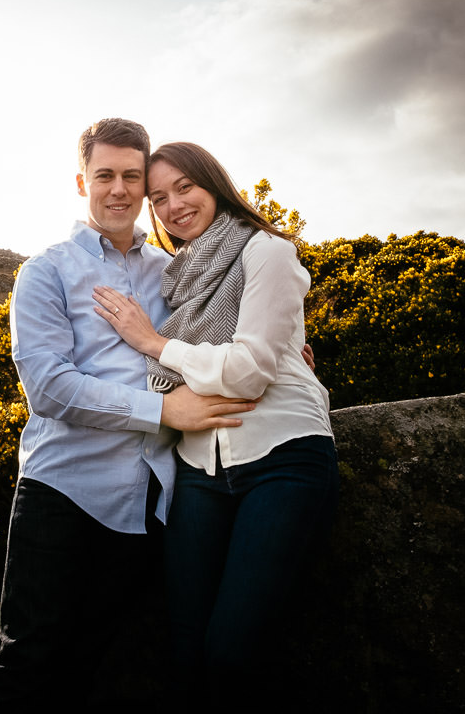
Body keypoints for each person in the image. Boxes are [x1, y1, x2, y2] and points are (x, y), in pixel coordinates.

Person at [0, 120, 257, 713]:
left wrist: (282, 348)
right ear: (83, 182)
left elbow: (226, 327)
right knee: (27, 663)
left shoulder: (172, 270)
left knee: (90, 669)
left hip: (147, 505)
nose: (120, 190)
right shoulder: (46, 271)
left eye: (134, 176)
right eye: (106, 175)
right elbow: (49, 388)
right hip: (63, 491)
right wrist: (163, 410)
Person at [92, 141, 339, 710]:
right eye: (158, 198)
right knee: (184, 651)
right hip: (199, 467)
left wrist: (155, 343)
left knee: (232, 652)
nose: (174, 206)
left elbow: (250, 372)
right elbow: (222, 367)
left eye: (185, 187)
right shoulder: (176, 280)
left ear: (214, 184)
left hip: (283, 457)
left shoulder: (266, 250)